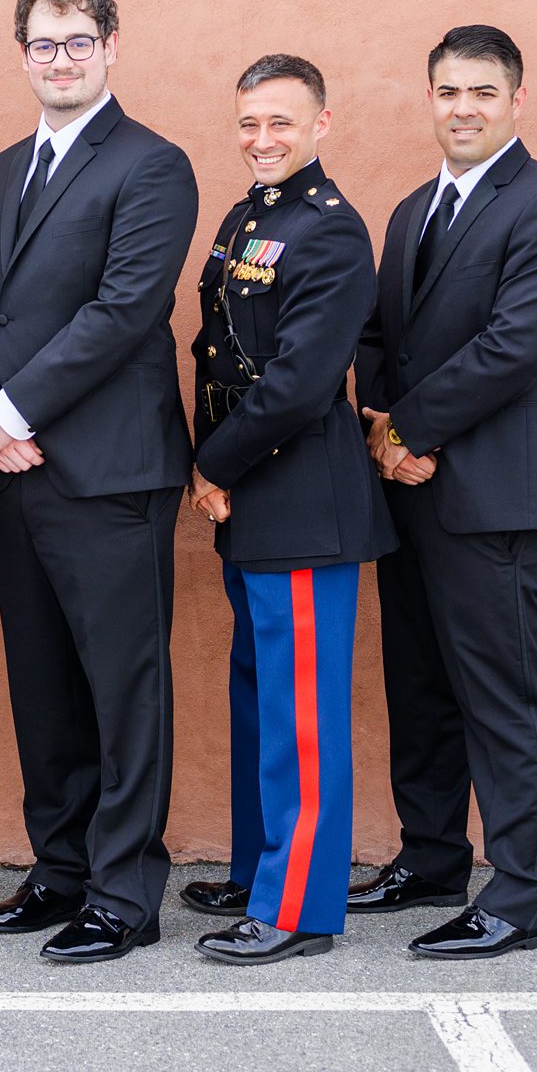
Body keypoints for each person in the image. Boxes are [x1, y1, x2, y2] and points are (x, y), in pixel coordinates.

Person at [0, 0, 199, 963]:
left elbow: (123, 309)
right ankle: (58, 867)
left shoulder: (152, 164)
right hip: (15, 468)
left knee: (123, 686)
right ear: (23, 55)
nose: (61, 59)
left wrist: (9, 407)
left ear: (110, 47)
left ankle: (124, 891)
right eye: (44, 45)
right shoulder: (2, 170)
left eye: (79, 42)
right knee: (43, 681)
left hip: (109, 472)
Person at [351, 24, 537, 959]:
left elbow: (514, 346)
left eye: (483, 93)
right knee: (420, 686)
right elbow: (376, 338)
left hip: (496, 495)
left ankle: (523, 894)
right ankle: (431, 856)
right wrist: (380, 426)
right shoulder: (415, 207)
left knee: (505, 694)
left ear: (517, 101)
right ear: (431, 98)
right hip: (409, 491)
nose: (464, 108)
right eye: (449, 91)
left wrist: (409, 428)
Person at [180, 54, 395, 966]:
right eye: (247, 124)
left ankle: (301, 902)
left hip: (301, 491)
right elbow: (213, 349)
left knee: (301, 709)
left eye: (280, 123)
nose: (261, 140)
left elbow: (303, 381)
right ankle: (260, 866)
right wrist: (215, 467)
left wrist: (211, 464)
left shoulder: (331, 232)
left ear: (321, 124)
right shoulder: (248, 216)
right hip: (251, 496)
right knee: (258, 691)